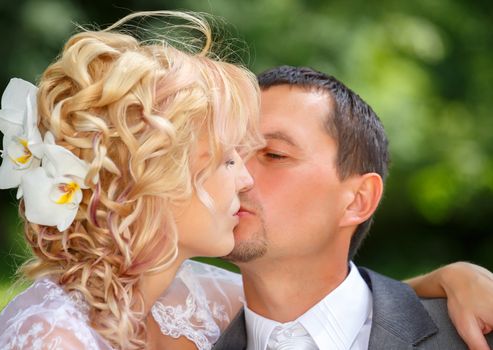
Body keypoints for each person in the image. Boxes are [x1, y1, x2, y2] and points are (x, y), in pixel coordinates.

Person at [0, 11, 264, 350]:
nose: (246, 181)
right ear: (151, 177)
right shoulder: (55, 339)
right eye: (227, 160)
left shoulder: (215, 301)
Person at [211, 66, 493, 350]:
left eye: (274, 155)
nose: (237, 175)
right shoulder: (184, 331)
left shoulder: (473, 335)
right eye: (229, 155)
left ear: (359, 199)